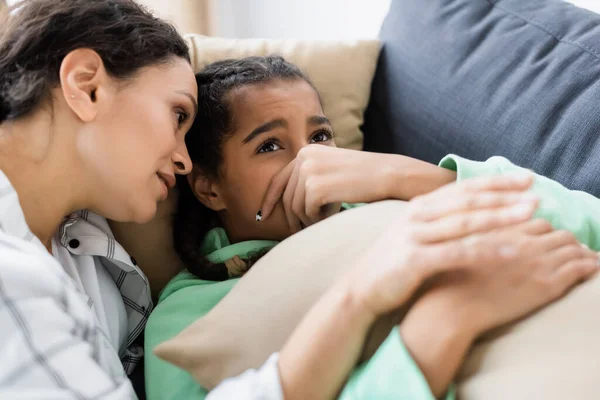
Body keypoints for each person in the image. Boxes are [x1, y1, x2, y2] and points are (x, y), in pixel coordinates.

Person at [144, 56, 599, 400]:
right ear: (209, 189)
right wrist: (433, 336)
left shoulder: (390, 202)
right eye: (270, 145)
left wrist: (407, 177)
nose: (313, 160)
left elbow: (591, 224)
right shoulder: (186, 319)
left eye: (321, 136)